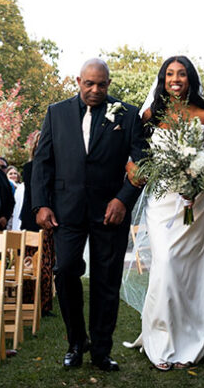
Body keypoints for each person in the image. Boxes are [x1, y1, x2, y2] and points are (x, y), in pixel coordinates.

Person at [33, 58, 145, 372]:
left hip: (110, 211)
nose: (95, 90)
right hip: (66, 211)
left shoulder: (127, 114)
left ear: (109, 84)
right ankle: (76, 341)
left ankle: (101, 350)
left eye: (102, 84)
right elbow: (43, 162)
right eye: (89, 83)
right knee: (65, 270)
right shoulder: (56, 113)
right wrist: (41, 204)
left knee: (106, 282)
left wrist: (123, 200)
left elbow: (142, 163)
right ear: (78, 81)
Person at [127, 56, 204, 371]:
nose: (175, 78)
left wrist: (195, 180)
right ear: (163, 79)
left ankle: (190, 340)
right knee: (165, 265)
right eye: (170, 74)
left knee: (189, 274)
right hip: (162, 201)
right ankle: (160, 339)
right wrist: (134, 169)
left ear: (190, 78)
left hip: (195, 203)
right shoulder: (152, 115)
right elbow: (137, 153)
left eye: (181, 73)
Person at [20, 129, 54, 315]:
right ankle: (27, 301)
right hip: (32, 220)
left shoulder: (58, 168)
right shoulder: (29, 167)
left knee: (47, 263)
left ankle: (45, 304)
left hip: (50, 219)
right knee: (29, 263)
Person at [6, 165, 23, 230]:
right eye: (10, 174)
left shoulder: (21, 187)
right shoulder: (6, 186)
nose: (13, 175)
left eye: (15, 173)